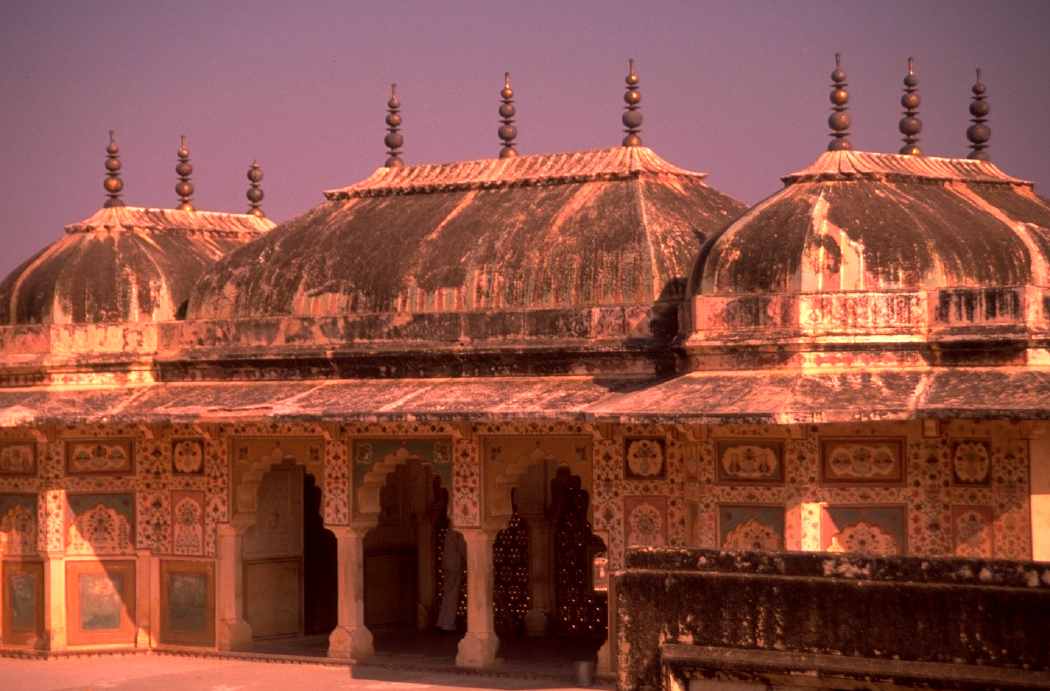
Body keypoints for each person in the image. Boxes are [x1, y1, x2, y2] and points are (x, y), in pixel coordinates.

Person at [437, 519, 466, 632]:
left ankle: (442, 622)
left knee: (447, 594)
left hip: (447, 564)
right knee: (452, 595)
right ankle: (448, 624)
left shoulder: (449, 530)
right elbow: (462, 548)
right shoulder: (458, 530)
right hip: (454, 566)